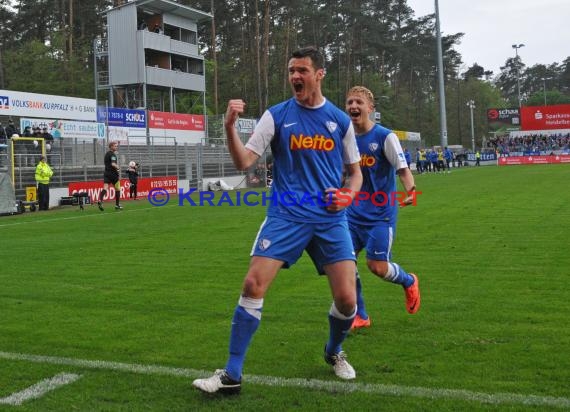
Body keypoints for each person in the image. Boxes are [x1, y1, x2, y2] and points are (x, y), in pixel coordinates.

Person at [192, 46, 363, 394]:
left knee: (348, 301)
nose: (295, 77)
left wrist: (349, 194)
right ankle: (231, 374)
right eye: (291, 71)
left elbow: (355, 173)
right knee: (253, 285)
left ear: (319, 74)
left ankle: (333, 352)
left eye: (302, 70)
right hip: (286, 215)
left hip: (330, 218)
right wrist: (229, 127)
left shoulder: (340, 121)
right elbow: (244, 163)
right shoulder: (277, 116)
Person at [344, 86, 420, 330]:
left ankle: (408, 281)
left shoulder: (385, 136)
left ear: (370, 109)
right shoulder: (346, 138)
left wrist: (411, 191)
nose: (353, 106)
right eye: (349, 102)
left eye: (358, 102)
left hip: (379, 215)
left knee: (376, 266)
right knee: (344, 263)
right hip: (351, 214)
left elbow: (402, 169)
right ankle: (361, 315)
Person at [97, 141, 123, 211]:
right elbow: (113, 164)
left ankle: (100, 200)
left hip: (106, 173)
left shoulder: (107, 154)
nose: (116, 147)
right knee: (118, 189)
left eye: (116, 146)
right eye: (115, 146)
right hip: (113, 174)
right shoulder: (113, 155)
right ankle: (117, 205)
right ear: (111, 147)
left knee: (105, 188)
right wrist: (118, 167)